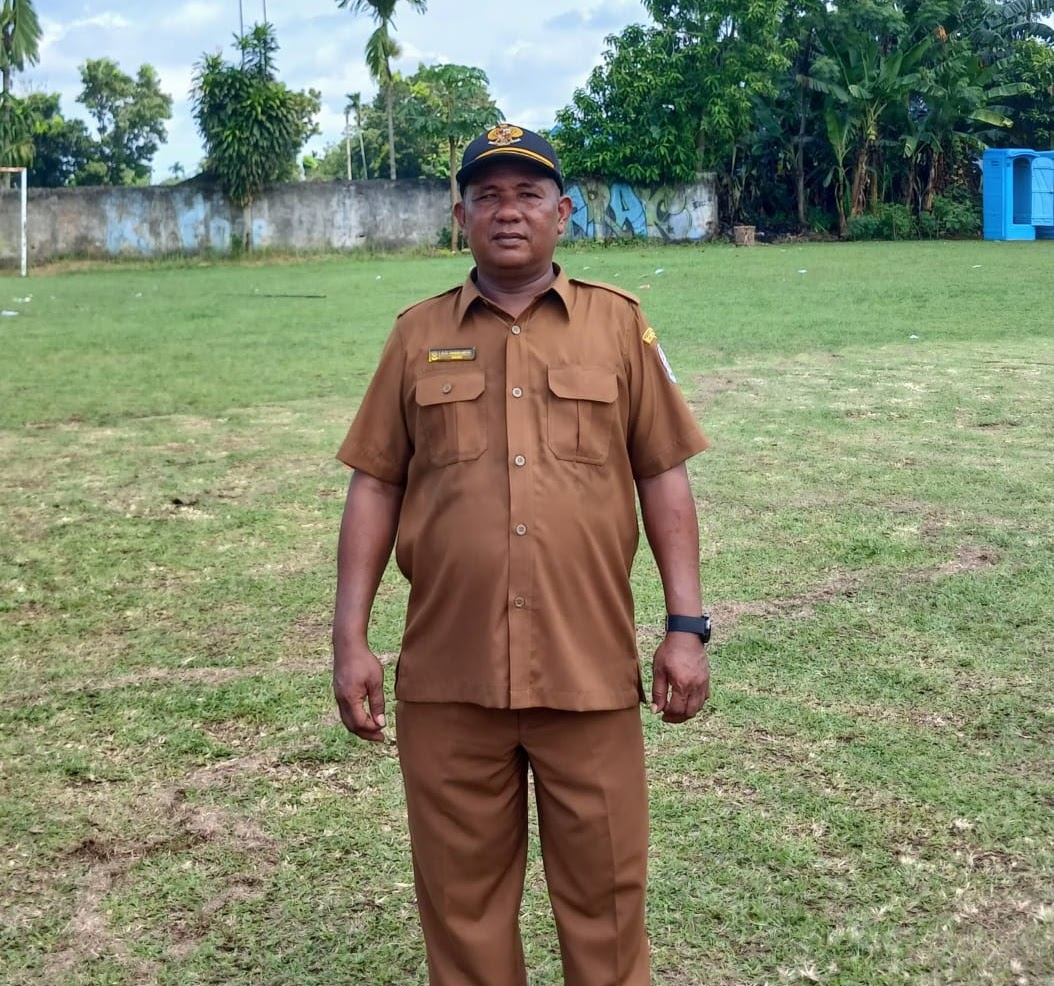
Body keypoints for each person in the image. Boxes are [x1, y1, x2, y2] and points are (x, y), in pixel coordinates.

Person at [332, 124, 712, 986]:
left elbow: (662, 475)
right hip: (450, 677)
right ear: (460, 215)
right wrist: (349, 638)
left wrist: (685, 627)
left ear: (563, 213)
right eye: (488, 196)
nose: (509, 212)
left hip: (587, 675)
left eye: (529, 194)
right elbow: (375, 486)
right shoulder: (415, 336)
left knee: (607, 905)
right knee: (461, 911)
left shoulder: (618, 327)